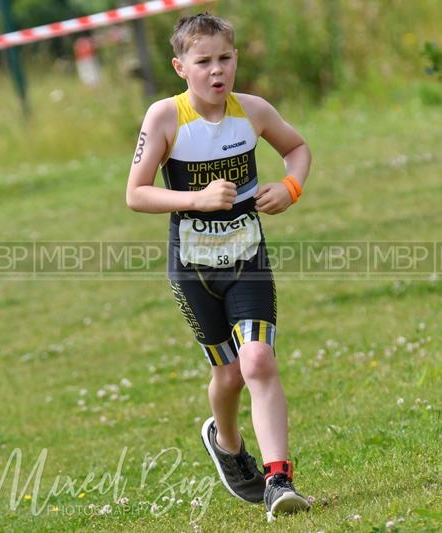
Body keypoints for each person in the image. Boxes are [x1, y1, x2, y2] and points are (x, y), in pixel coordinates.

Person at [125, 13, 312, 521]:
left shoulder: (252, 111)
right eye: (203, 61)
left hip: (247, 258)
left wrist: (290, 187)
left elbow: (297, 149)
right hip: (193, 268)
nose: (216, 71)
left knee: (257, 362)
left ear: (235, 60)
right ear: (180, 66)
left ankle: (278, 478)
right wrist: (198, 198)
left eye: (224, 58)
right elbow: (135, 194)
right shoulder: (165, 117)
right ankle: (226, 444)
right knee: (228, 374)